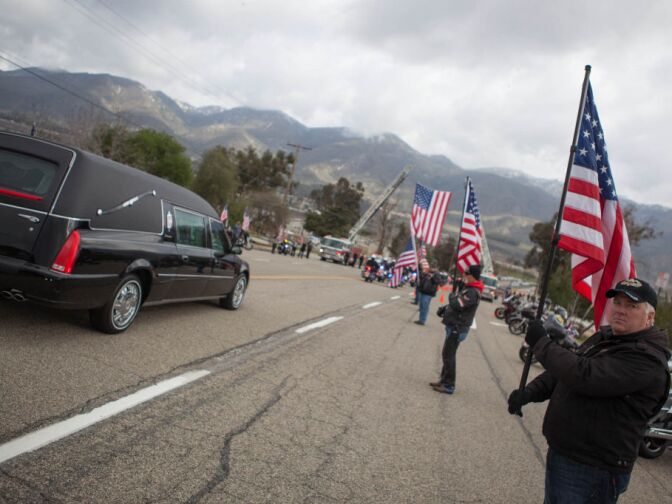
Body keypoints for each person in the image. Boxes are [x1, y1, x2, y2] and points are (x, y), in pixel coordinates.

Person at [507, 278, 670, 504]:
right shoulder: (608, 338)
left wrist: (542, 344)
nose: (621, 311)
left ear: (650, 317)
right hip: (569, 454)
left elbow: (585, 375)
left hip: (593, 468)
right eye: (618, 303)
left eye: (632, 306)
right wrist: (529, 393)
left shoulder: (647, 358)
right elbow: (565, 371)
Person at [430, 264, 483, 394]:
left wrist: (452, 294)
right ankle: (443, 380)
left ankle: (449, 385)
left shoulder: (472, 292)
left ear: (472, 276)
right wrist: (446, 309)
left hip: (458, 327)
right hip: (454, 325)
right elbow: (455, 304)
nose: (464, 275)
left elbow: (458, 304)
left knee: (449, 356)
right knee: (446, 354)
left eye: (467, 274)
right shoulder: (468, 288)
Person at [414, 260, 440, 326]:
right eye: (431, 266)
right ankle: (421, 319)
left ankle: (422, 320)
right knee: (422, 305)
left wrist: (432, 277)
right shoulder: (426, 272)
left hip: (429, 292)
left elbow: (437, 282)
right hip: (423, 290)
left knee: (424, 306)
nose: (432, 268)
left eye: (434, 267)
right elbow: (421, 279)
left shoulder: (436, 274)